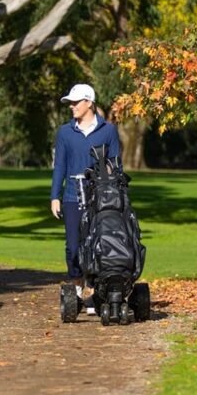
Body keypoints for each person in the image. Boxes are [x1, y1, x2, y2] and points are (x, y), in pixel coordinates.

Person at [50, 83, 121, 313]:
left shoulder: (108, 130)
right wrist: (55, 196)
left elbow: (115, 165)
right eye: (70, 102)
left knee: (97, 245)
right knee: (73, 246)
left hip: (100, 198)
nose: (72, 106)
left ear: (89, 102)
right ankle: (77, 287)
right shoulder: (65, 132)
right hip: (72, 195)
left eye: (76, 102)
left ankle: (92, 290)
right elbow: (59, 165)